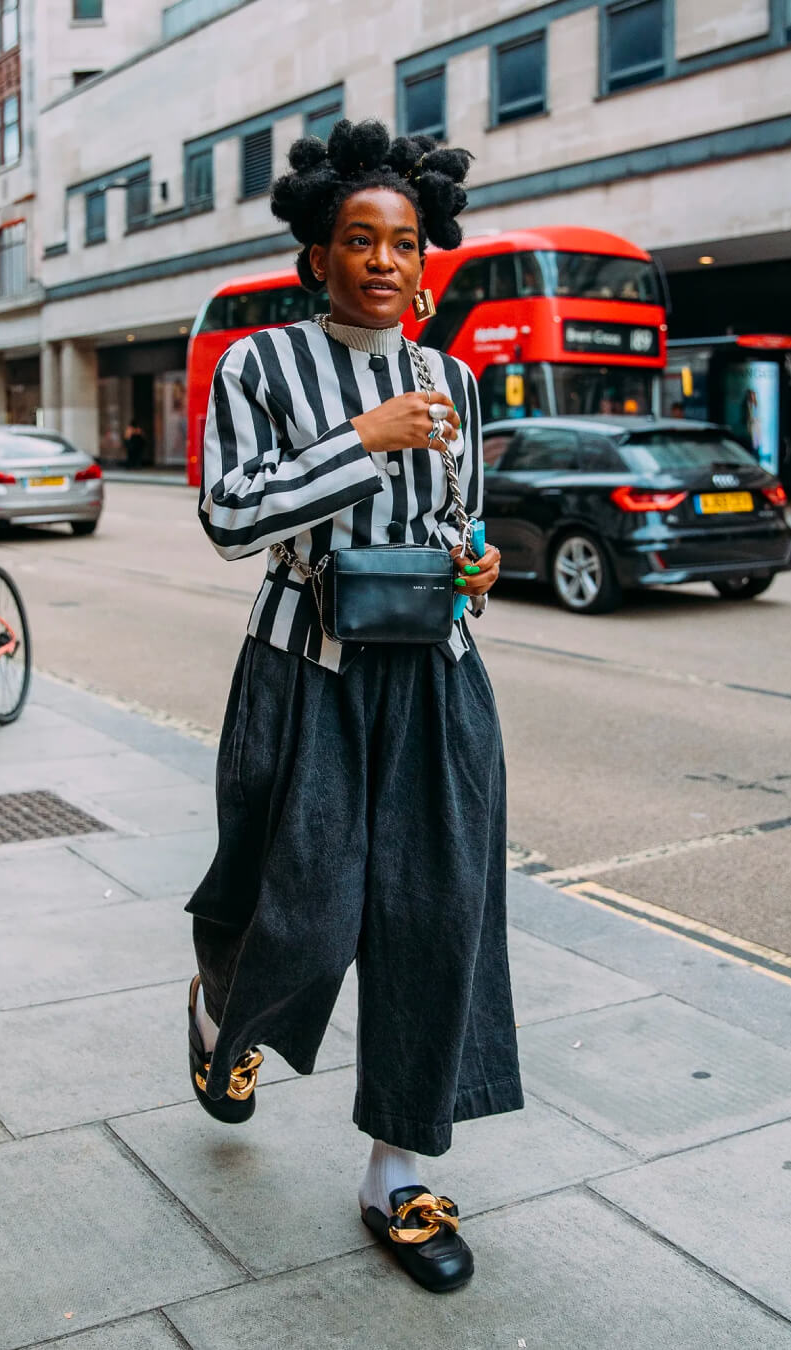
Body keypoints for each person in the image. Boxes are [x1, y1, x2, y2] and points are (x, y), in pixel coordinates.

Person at [185, 119, 522, 1295]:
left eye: (406, 242)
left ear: (429, 260)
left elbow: (457, 526)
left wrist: (474, 567)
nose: (385, 259)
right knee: (300, 917)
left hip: (436, 678)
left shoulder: (459, 381)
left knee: (439, 926)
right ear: (318, 254)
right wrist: (359, 440)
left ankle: (398, 1174)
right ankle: (223, 1004)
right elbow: (231, 520)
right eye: (359, 239)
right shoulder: (259, 368)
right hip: (305, 672)